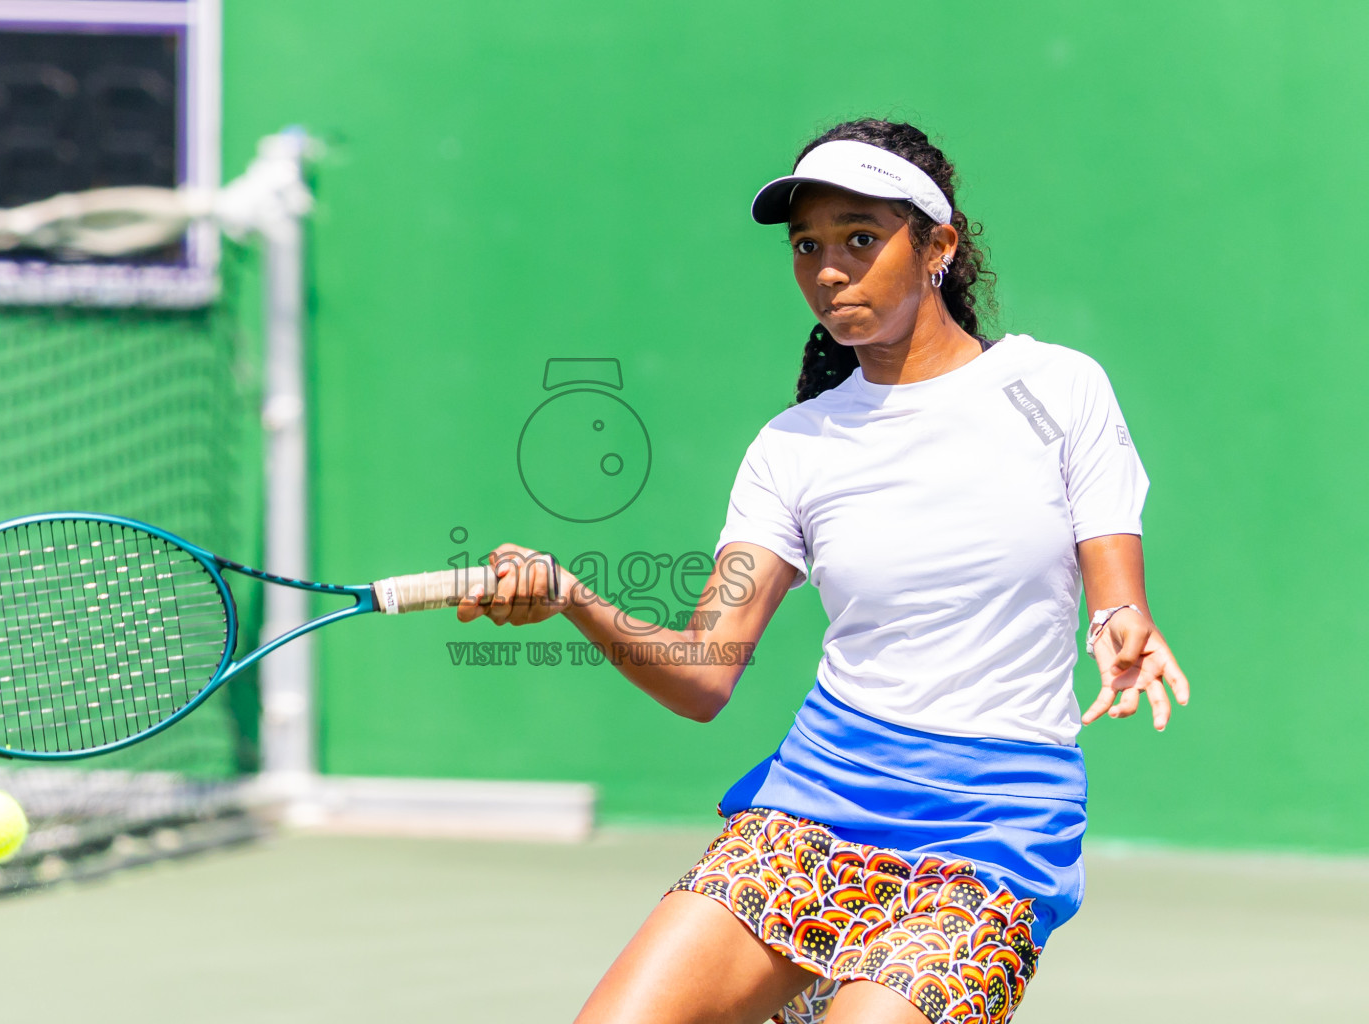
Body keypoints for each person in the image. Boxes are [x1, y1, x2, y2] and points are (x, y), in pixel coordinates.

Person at [456, 118, 1189, 1024]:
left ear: (939, 246)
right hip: (814, 804)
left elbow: (1114, 569)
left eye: (860, 238)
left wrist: (1124, 622)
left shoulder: (1059, 388)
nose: (829, 269)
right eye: (808, 246)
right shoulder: (790, 451)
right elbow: (702, 674)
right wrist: (572, 596)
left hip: (994, 833)